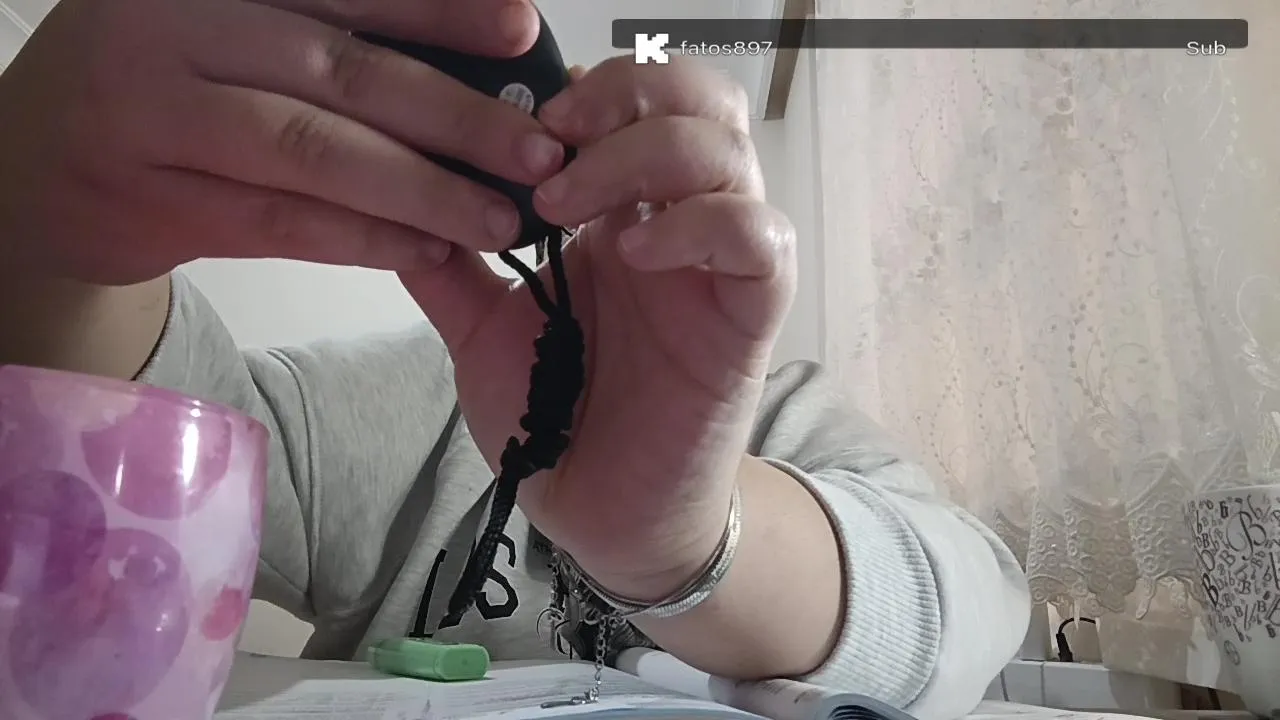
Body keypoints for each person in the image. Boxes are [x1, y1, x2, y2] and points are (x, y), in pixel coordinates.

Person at [0, 1, 1031, 718]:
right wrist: (41, 247)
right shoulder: (427, 405)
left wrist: (681, 540)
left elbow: (975, 603)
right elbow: (167, 445)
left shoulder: (800, 422)